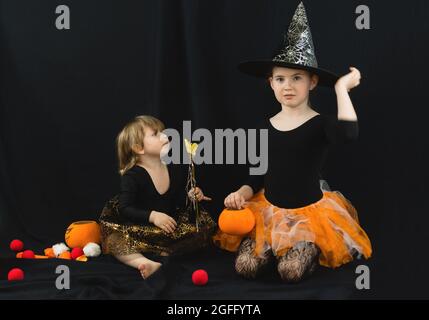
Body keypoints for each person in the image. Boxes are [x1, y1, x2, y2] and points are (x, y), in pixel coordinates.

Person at [213, 2, 372, 283]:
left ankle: (304, 248)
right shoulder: (265, 125)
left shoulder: (320, 123)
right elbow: (257, 172)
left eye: (296, 78)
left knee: (290, 272)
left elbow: (349, 134)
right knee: (246, 268)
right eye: (281, 79)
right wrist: (242, 191)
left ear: (312, 82)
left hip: (309, 216)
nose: (288, 86)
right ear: (271, 83)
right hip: (268, 212)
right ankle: (273, 247)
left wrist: (340, 89)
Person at [100, 115, 216, 279]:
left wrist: (191, 195)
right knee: (114, 240)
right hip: (138, 228)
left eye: (162, 131)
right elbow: (125, 208)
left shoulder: (173, 167)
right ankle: (141, 261)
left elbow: (177, 199)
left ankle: (162, 252)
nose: (164, 135)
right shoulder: (133, 176)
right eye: (156, 134)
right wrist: (153, 216)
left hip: (166, 228)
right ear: (139, 148)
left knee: (201, 229)